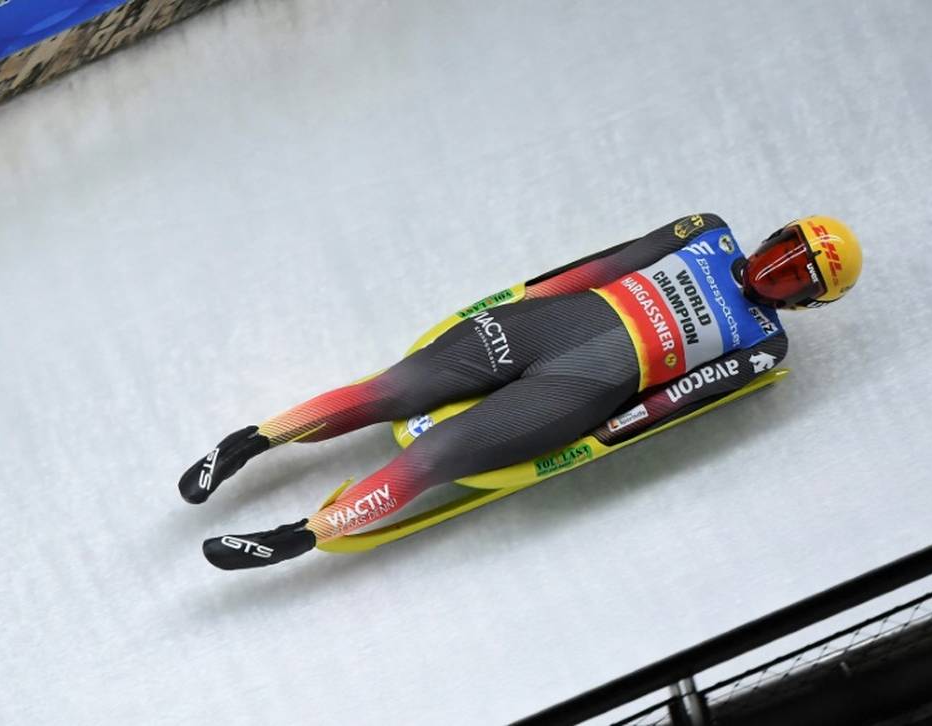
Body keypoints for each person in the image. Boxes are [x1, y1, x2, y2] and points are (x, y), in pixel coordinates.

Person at [179, 214, 863, 570]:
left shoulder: (765, 345)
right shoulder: (705, 232)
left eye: (792, 277)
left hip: (585, 387)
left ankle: (299, 536)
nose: (773, 273)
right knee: (393, 388)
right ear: (770, 237)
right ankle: (250, 441)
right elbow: (604, 265)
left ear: (804, 302)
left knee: (436, 457)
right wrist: (518, 303)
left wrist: (597, 439)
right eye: (780, 253)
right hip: (546, 325)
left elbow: (674, 401)